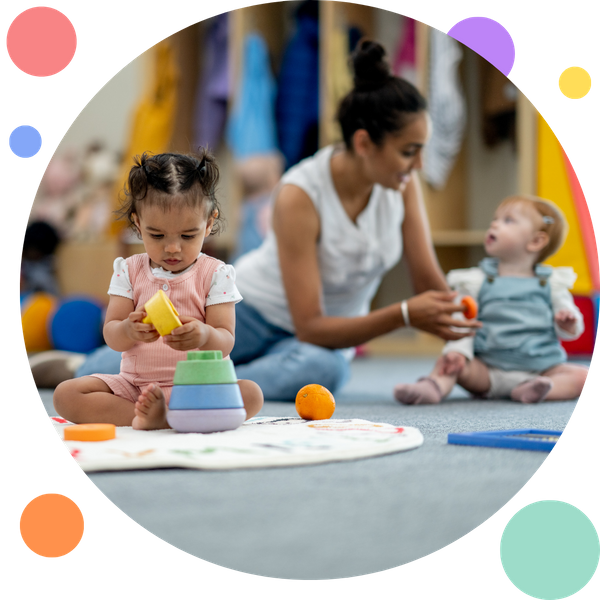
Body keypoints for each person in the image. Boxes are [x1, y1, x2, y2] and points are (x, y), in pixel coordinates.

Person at [227, 39, 480, 401]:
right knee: (132, 363)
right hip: (250, 312)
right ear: (363, 143)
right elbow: (310, 325)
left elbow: (429, 283)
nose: (419, 165)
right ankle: (202, 382)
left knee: (325, 369)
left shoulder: (400, 183)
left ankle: (209, 386)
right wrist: (403, 315)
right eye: (409, 151)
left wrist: (479, 334)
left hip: (312, 347)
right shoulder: (300, 193)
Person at [53, 150, 264, 430]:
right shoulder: (128, 270)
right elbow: (112, 334)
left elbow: (226, 339)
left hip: (197, 386)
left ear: (209, 223)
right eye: (157, 235)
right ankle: (150, 415)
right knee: (66, 394)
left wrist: (203, 334)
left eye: (188, 235)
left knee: (251, 394)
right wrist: (127, 330)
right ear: (138, 223)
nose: (173, 248)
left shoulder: (215, 274)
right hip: (136, 387)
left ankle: (164, 416)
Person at [393, 195, 590, 404]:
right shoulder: (476, 280)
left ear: (536, 241)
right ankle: (433, 386)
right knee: (450, 363)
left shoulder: (552, 283)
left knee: (583, 376)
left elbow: (569, 328)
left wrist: (567, 321)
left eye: (508, 220)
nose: (494, 224)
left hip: (541, 369)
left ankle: (537, 390)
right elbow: (462, 321)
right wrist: (458, 353)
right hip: (487, 370)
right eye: (494, 220)